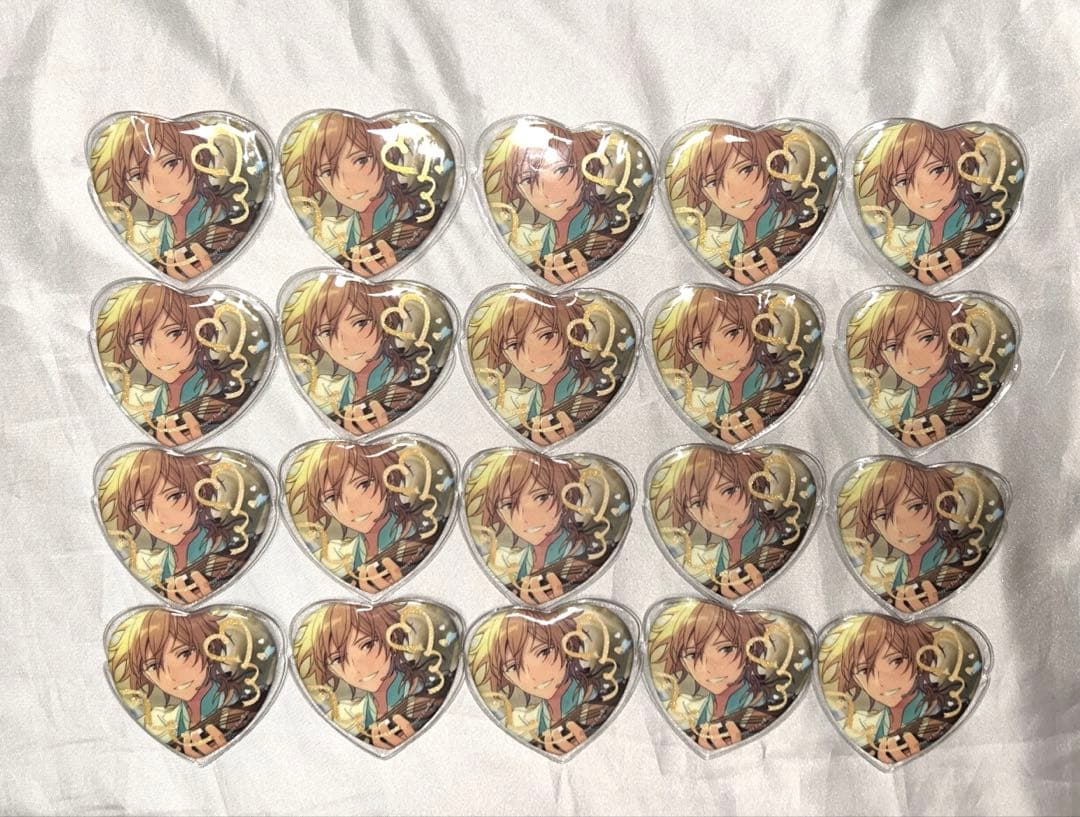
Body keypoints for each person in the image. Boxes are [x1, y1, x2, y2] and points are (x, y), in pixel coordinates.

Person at [90, 115, 231, 280]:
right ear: (129, 186)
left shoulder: (228, 223)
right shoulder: (138, 239)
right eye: (137, 176)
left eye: (171, 163)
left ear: (197, 159)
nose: (157, 187)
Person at [281, 112, 421, 276]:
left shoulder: (414, 220)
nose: (347, 184)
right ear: (321, 183)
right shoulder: (328, 234)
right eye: (327, 172)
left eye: (361, 160)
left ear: (386, 157)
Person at [856, 121, 991, 284]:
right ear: (896, 193)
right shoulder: (901, 242)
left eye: (937, 170)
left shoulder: (980, 228)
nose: (921, 193)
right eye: (903, 181)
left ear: (961, 167)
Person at [285, 441, 426, 593]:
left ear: (389, 479)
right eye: (331, 497)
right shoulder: (339, 555)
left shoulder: (416, 536)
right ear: (325, 508)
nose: (351, 507)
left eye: (363, 484)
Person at [96, 282, 226, 446]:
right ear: (133, 351)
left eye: (174, 333)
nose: (157, 354)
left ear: (201, 331)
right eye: (140, 341)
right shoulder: (137, 402)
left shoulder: (221, 392)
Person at [484, 122, 614, 284]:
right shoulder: (525, 240)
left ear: (585, 168)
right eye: (528, 179)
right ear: (520, 190)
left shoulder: (606, 232)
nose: (546, 193)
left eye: (561, 170)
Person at [846, 288, 978, 448]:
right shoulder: (897, 404)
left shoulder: (966, 395)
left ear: (951, 335)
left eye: (927, 338)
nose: (910, 359)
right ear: (883, 356)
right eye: (893, 347)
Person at [107, 609, 241, 759]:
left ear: (209, 648)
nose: (172, 676)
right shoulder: (159, 724)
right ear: (148, 676)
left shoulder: (238, 703)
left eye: (184, 653)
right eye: (154, 666)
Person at [293, 602, 425, 749]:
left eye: (367, 645)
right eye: (338, 659)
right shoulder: (345, 717)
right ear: (332, 671)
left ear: (391, 638)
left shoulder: (423, 692)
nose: (358, 667)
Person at [649, 601, 771, 749]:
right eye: (693, 655)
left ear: (749, 649)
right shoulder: (701, 710)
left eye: (726, 649)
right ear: (684, 663)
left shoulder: (759, 709)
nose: (708, 667)